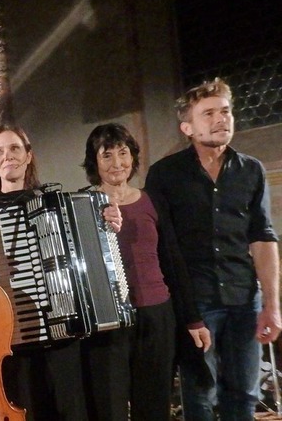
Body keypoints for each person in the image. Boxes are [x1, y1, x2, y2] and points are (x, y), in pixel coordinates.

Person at [145, 77, 281, 421]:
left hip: (243, 298)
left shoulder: (251, 170)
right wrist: (183, 310)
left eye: (225, 111)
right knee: (199, 394)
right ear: (187, 127)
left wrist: (272, 305)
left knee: (244, 394)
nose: (222, 119)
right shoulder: (165, 174)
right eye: (209, 114)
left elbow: (263, 237)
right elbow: (162, 246)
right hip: (196, 301)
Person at [0, 124, 123, 420]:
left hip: (63, 329)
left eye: (15, 148)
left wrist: (106, 220)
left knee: (71, 410)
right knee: (29, 410)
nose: (7, 156)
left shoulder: (53, 201)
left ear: (29, 156)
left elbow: (88, 248)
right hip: (13, 331)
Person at [80, 123, 212, 421]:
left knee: (153, 406)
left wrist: (193, 318)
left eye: (123, 153)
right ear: (94, 163)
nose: (117, 163)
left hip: (157, 313)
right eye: (107, 155)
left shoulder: (152, 199)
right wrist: (97, 222)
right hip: (109, 322)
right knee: (108, 407)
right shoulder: (82, 203)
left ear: (133, 156)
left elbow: (173, 261)